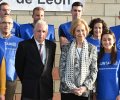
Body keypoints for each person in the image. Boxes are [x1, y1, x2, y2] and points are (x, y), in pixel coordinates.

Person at [15, 20, 56, 100]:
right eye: (38, 31)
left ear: (47, 33)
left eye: (43, 31)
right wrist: (27, 80)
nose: (41, 34)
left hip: (46, 89)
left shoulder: (52, 46)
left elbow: (49, 66)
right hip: (29, 89)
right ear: (33, 31)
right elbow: (18, 66)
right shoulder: (24, 45)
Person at [59, 18, 98, 100]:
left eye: (83, 30)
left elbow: (93, 70)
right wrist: (72, 88)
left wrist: (84, 87)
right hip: (67, 90)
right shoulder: (66, 47)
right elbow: (62, 69)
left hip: (84, 92)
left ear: (86, 31)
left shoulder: (92, 49)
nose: (81, 33)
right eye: (78, 30)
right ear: (74, 32)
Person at [0, 15, 23, 100]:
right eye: (4, 22)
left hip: (11, 79)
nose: (6, 25)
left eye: (9, 23)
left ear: (12, 25)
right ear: (0, 24)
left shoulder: (20, 42)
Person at [96, 29, 120, 100]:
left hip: (116, 96)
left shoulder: (119, 55)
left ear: (114, 40)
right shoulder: (97, 56)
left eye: (109, 39)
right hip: (100, 95)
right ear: (101, 42)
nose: (107, 42)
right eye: (104, 40)